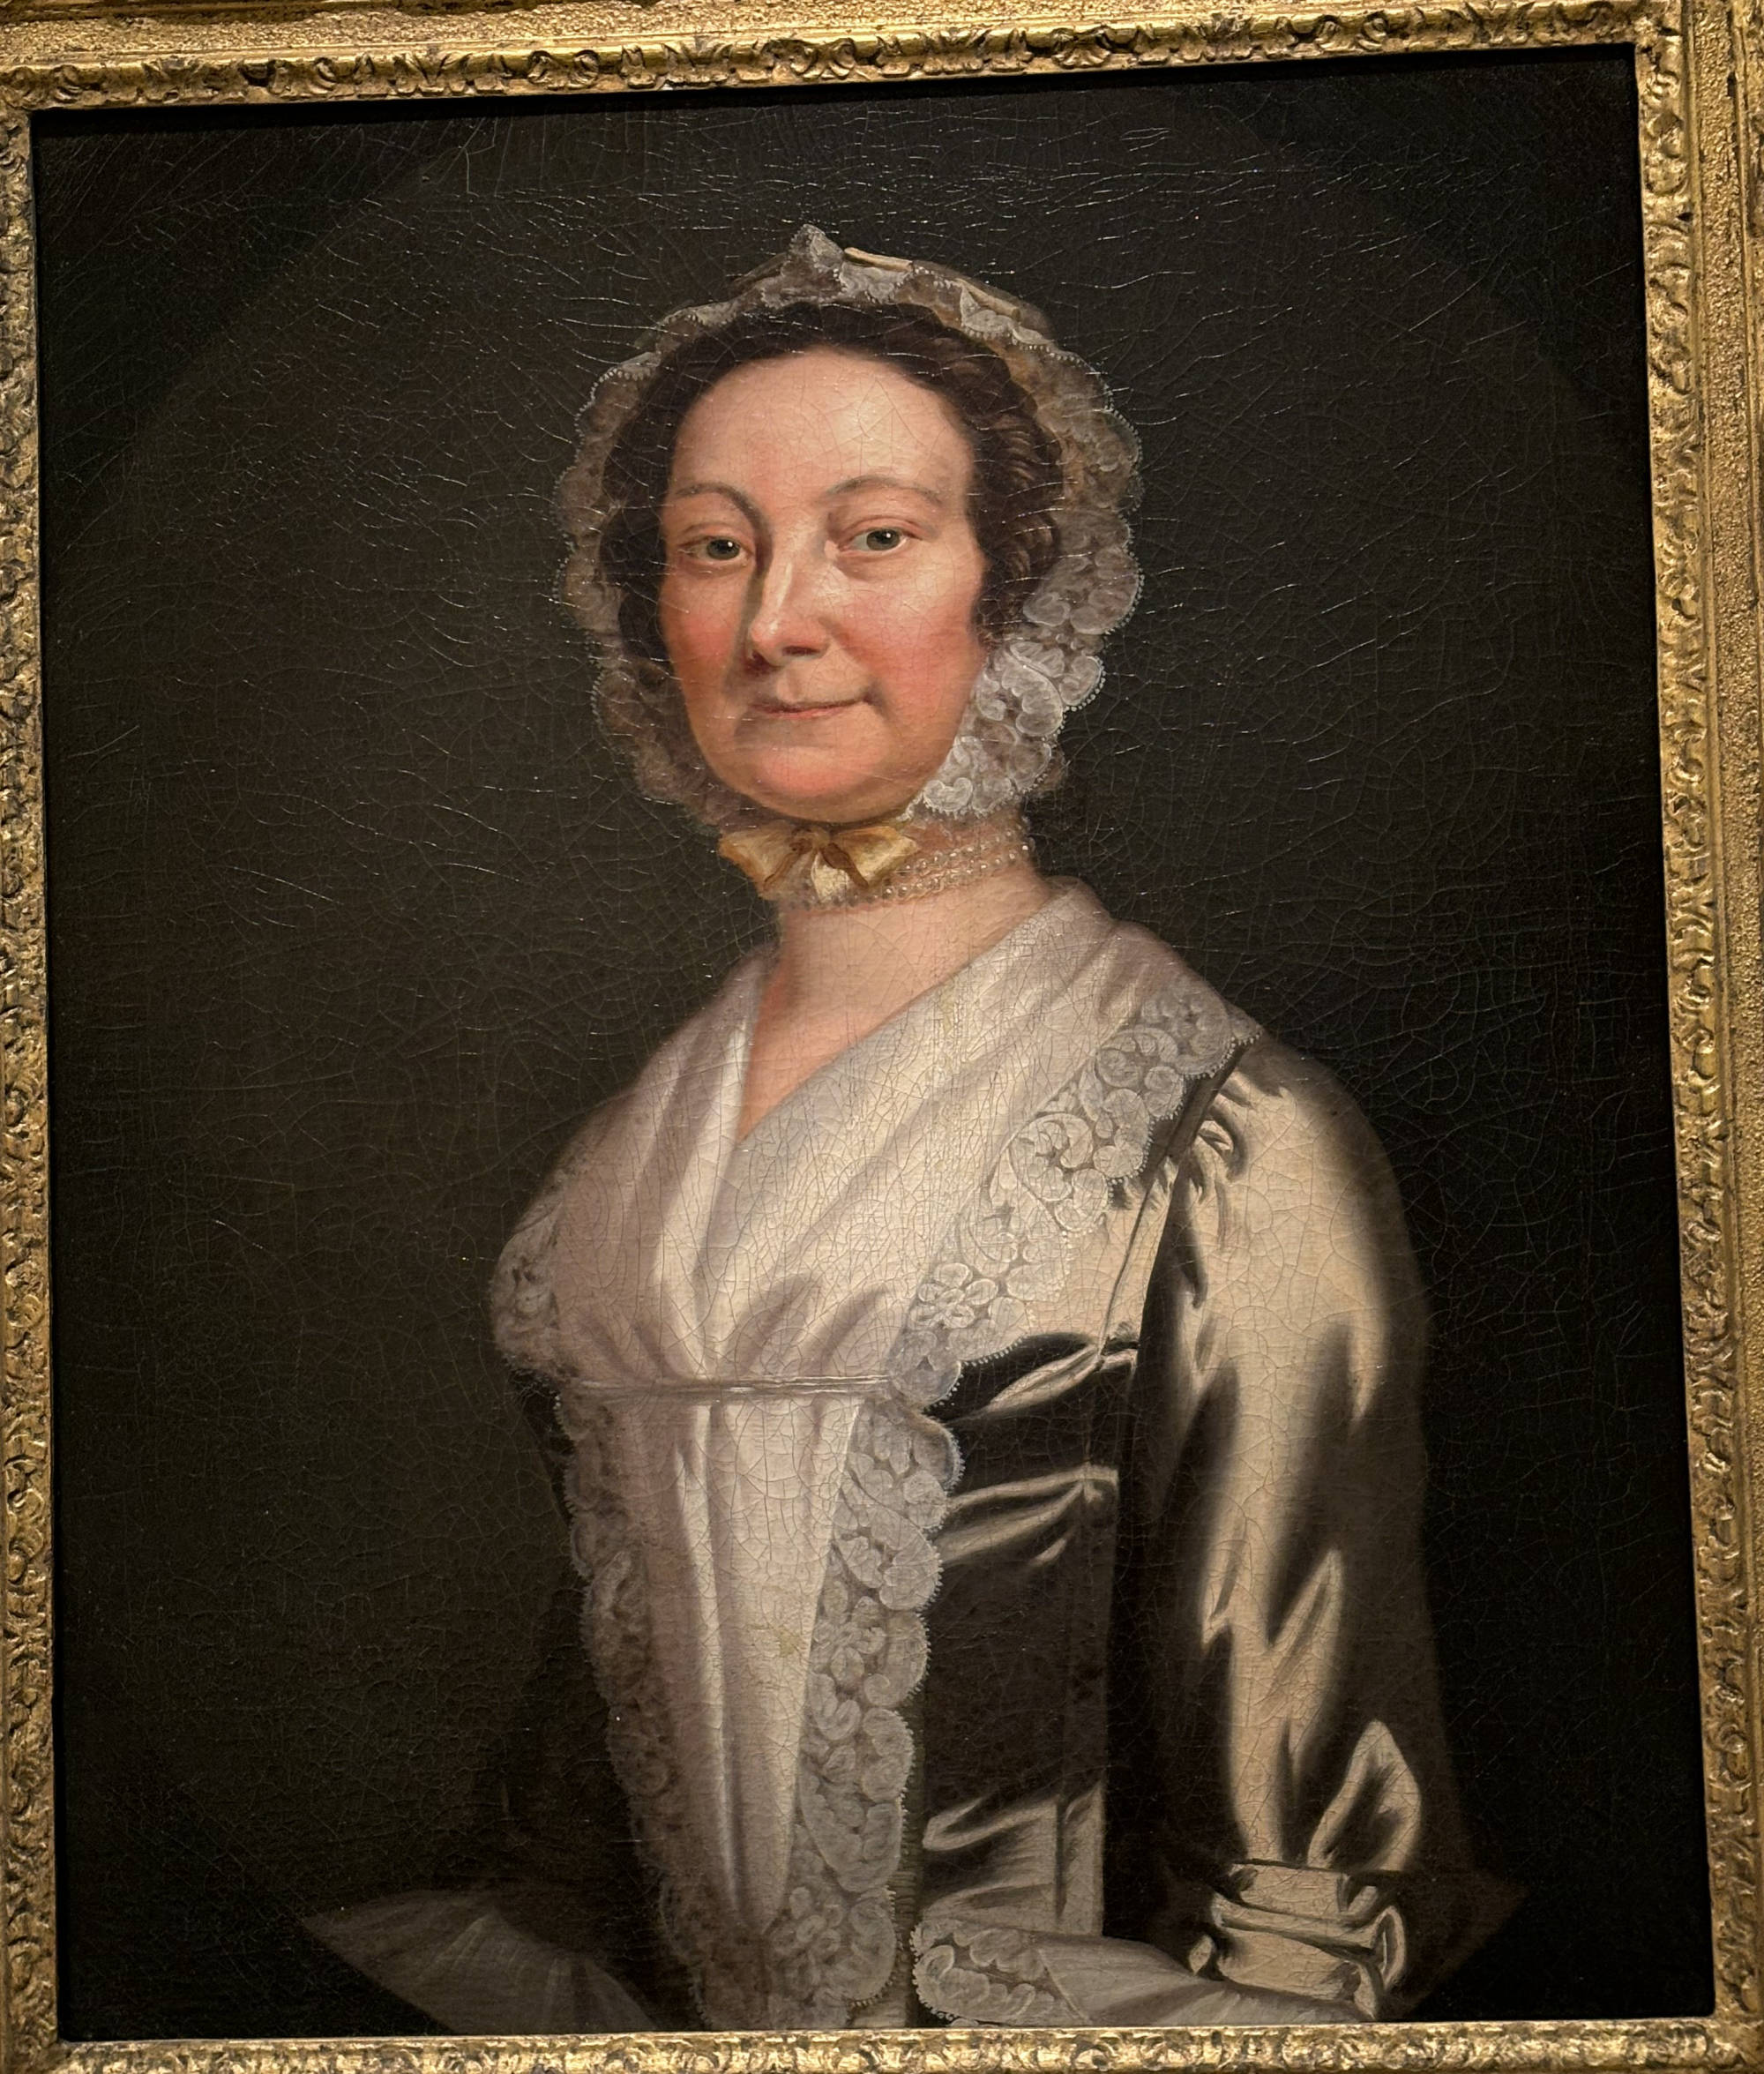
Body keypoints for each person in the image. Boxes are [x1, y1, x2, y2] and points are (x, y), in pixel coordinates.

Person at [311, 226, 1506, 2035]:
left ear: (1014, 599)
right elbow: (581, 1841)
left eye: (871, 538)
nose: (776, 622)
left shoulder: (1225, 1135)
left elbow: (1311, 1895)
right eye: (717, 547)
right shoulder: (631, 1150)